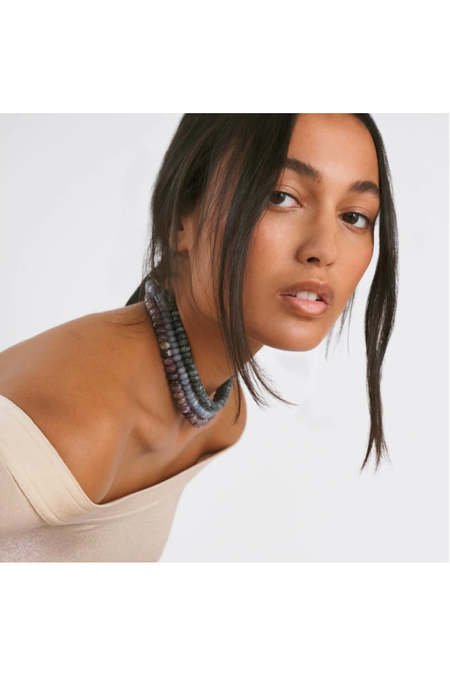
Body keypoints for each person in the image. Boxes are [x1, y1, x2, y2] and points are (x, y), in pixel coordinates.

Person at [0, 113, 398, 562]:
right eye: (281, 196)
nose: (323, 250)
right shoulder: (87, 415)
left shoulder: (221, 414)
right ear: (181, 220)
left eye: (354, 217)